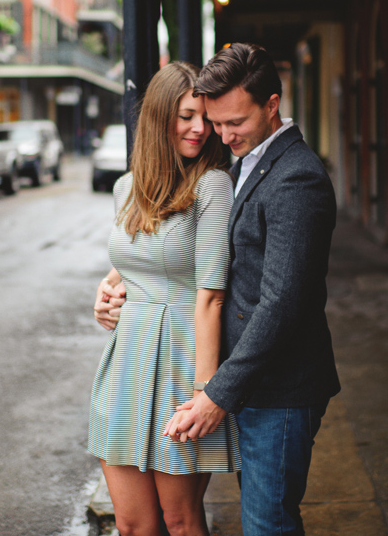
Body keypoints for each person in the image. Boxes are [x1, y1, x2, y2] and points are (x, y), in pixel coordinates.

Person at [141, 43, 337, 535]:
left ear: (271, 105)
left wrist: (217, 394)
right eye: (216, 122)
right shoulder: (246, 161)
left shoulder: (297, 179)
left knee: (267, 525)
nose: (222, 135)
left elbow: (281, 304)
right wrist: (118, 280)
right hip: (257, 386)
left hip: (281, 390)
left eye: (236, 122)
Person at [88, 61, 239, 536]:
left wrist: (204, 393)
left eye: (204, 116)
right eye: (186, 115)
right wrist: (108, 284)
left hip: (181, 362)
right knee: (134, 526)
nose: (200, 128)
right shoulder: (125, 189)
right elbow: (139, 256)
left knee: (180, 521)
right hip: (124, 365)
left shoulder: (212, 185)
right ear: (157, 118)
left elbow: (212, 293)